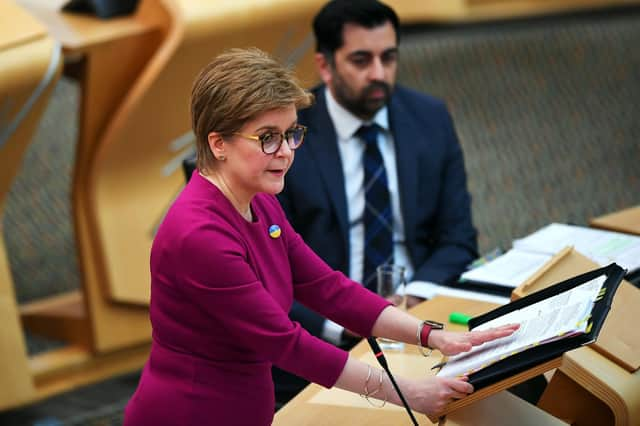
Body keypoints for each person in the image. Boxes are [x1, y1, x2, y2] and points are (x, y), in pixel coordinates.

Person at [123, 48, 518, 425]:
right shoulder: (200, 236)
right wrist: (410, 393)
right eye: (267, 138)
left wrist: (432, 336)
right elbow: (286, 343)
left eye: (291, 133)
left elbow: (325, 287)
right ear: (218, 143)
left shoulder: (257, 199)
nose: (285, 152)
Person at [274, 0, 479, 400]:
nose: (379, 74)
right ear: (325, 65)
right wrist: (344, 322)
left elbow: (458, 239)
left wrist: (413, 298)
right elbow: (270, 270)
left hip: (418, 317)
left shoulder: (430, 118)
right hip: (321, 330)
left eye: (388, 58)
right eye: (361, 60)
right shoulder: (288, 136)